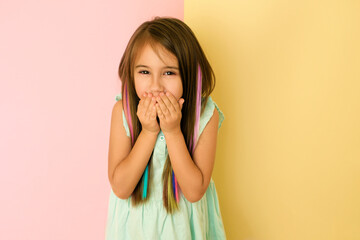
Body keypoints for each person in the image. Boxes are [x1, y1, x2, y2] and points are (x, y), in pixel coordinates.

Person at [105, 16, 226, 239]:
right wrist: (149, 132)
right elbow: (121, 187)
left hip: (183, 229)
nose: (155, 86)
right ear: (131, 74)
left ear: (188, 76)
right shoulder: (122, 110)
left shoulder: (206, 114)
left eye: (169, 73)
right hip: (135, 229)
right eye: (144, 72)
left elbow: (194, 191)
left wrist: (172, 131)